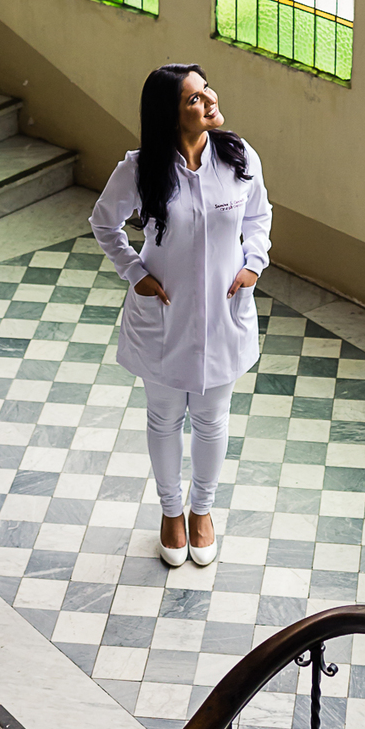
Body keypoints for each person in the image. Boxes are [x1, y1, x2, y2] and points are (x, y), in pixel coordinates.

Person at [89, 64, 271, 567]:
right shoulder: (140, 168)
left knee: (211, 420)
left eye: (206, 88)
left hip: (224, 313)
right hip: (163, 314)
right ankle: (171, 512)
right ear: (169, 115)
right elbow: (104, 222)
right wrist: (134, 272)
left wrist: (254, 264)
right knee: (165, 417)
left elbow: (259, 215)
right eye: (193, 99)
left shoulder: (237, 156)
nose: (209, 100)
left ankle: (202, 511)